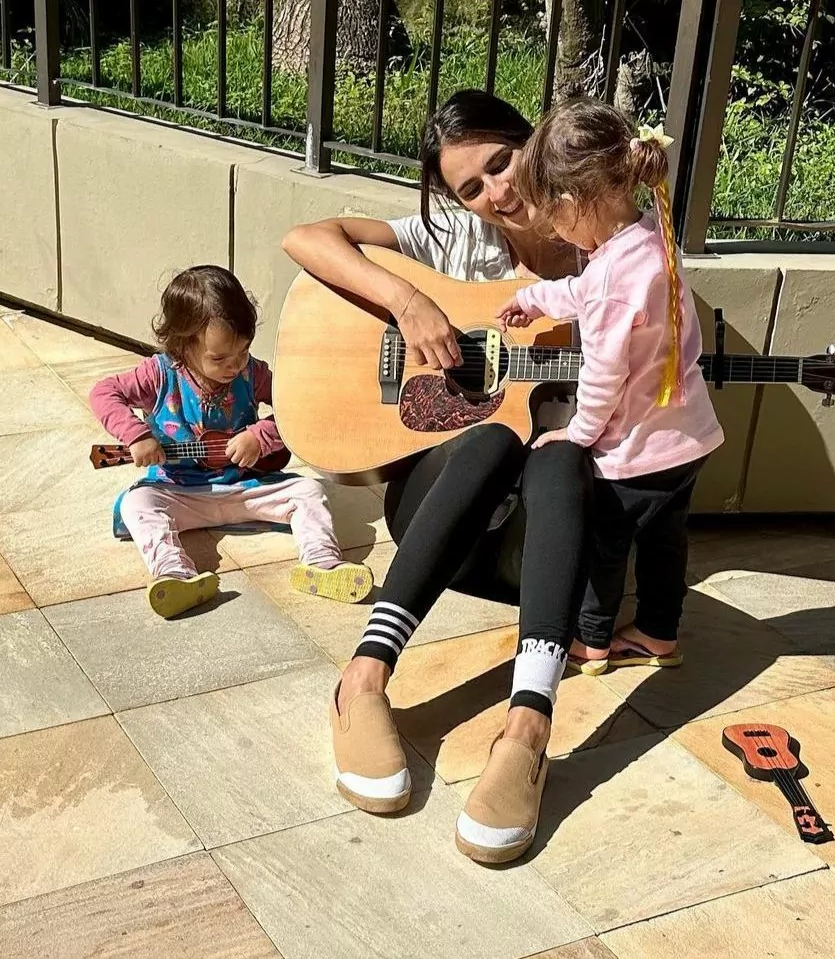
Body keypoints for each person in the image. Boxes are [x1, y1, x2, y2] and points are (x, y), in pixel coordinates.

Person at [281, 90, 592, 865]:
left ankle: (527, 730)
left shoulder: (610, 244)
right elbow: (306, 237)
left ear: (536, 142)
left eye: (502, 160)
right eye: (471, 187)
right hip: (438, 520)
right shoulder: (455, 238)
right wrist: (410, 299)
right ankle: (362, 679)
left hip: (536, 551)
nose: (497, 191)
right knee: (489, 437)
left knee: (556, 450)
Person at [501, 99, 723, 674]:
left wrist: (577, 436)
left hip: (637, 452)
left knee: (606, 540)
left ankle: (591, 640)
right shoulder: (648, 238)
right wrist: (534, 298)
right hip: (686, 437)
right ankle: (657, 632)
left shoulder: (613, 279)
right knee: (666, 542)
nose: (551, 228)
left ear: (573, 204)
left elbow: (602, 376)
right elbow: (585, 292)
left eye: (550, 215)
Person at [90, 265, 373, 619]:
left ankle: (321, 563)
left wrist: (261, 434)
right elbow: (104, 392)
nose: (234, 365)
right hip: (181, 493)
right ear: (183, 344)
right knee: (137, 503)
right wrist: (136, 434)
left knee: (309, 492)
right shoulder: (160, 373)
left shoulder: (251, 373)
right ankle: (173, 573)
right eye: (219, 358)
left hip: (245, 486)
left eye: (242, 352)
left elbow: (301, 407)